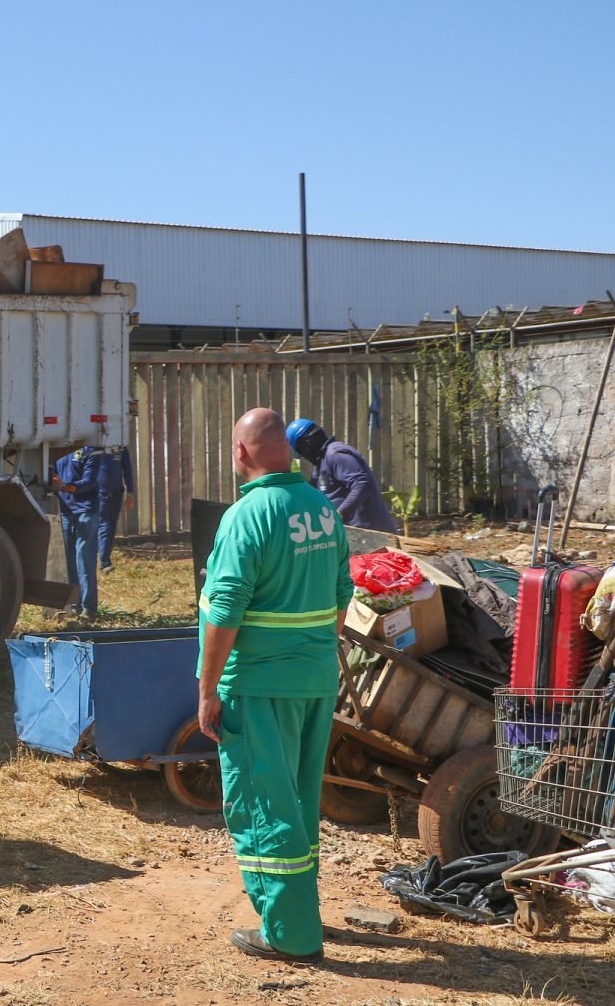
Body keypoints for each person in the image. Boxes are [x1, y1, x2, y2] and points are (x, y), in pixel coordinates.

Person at [197, 407, 353, 963]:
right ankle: (299, 909)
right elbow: (342, 593)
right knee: (299, 801)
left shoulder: (247, 516)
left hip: (259, 684)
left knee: (265, 805)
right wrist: (310, 654)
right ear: (285, 452)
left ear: (241, 454)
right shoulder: (323, 509)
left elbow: (225, 609)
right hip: (313, 681)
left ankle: (289, 932)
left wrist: (207, 688)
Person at [285, 418, 399, 534]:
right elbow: (313, 493)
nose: (305, 457)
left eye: (302, 452)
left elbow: (362, 484)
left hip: (371, 534)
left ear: (307, 444)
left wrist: (340, 514)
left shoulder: (335, 455)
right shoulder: (321, 462)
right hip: (353, 535)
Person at [52, 446, 101, 621]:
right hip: (66, 512)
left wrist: (66, 487)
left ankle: (89, 609)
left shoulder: (92, 451)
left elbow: (89, 481)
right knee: (70, 561)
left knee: (84, 559)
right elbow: (51, 471)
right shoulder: (58, 448)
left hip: (85, 512)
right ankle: (75, 605)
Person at [95, 445, 136, 572]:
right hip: (100, 492)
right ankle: (104, 562)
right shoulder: (97, 444)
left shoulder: (121, 447)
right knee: (105, 525)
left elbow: (127, 468)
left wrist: (130, 492)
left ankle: (104, 557)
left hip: (117, 492)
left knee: (112, 525)